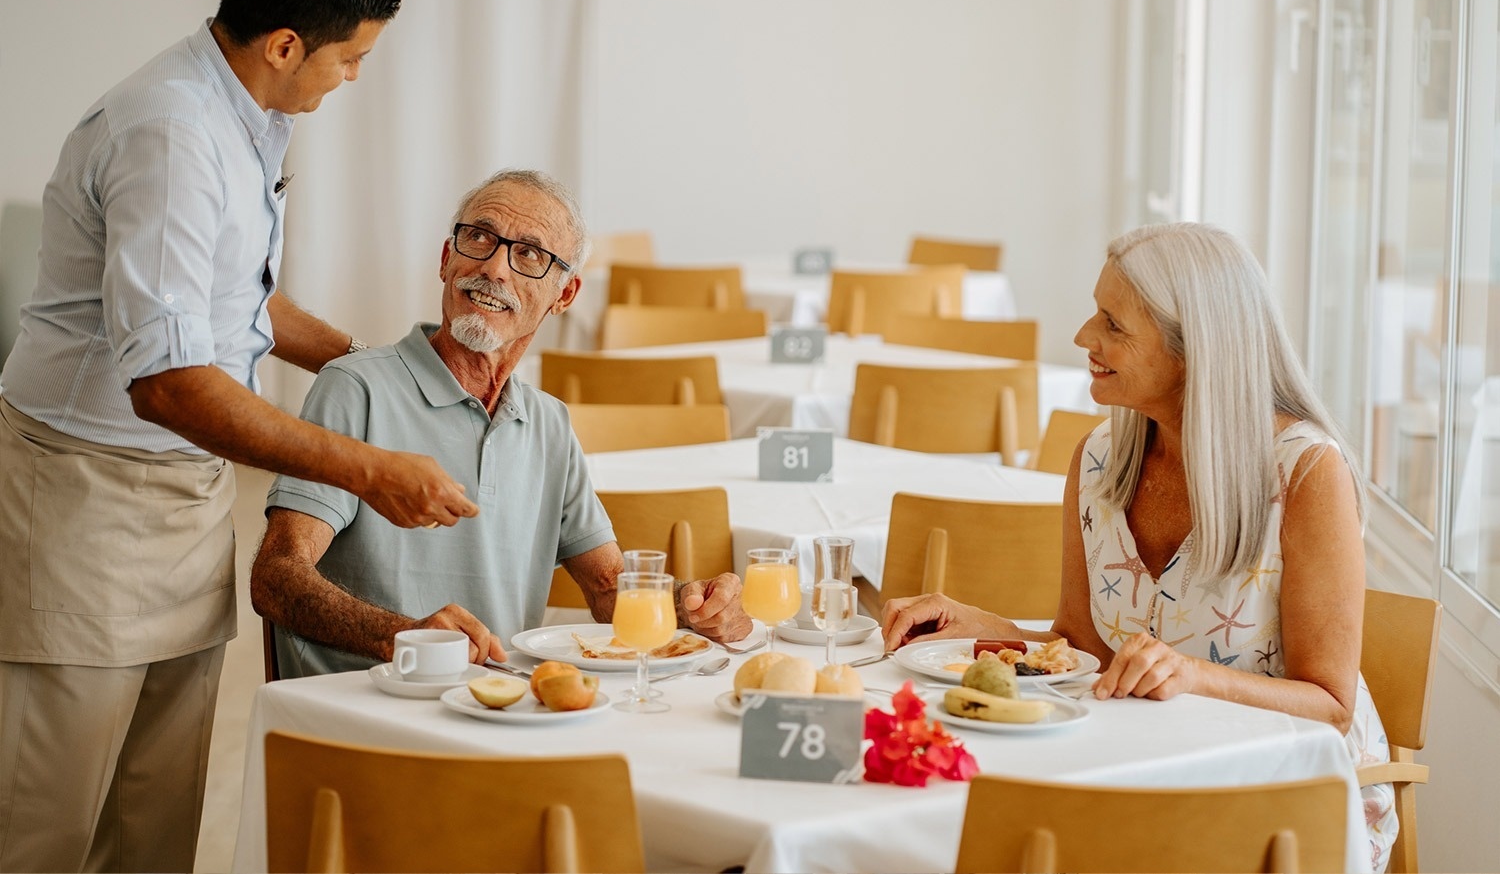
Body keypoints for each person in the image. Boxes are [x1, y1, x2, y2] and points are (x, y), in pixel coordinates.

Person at [0, 0, 482, 873]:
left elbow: (237, 304)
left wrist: (376, 367)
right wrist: (365, 463)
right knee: (46, 825)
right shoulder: (172, 135)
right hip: (88, 497)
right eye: (350, 60)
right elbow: (173, 383)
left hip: (181, 502)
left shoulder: (241, 114)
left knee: (156, 820)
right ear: (285, 43)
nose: (352, 79)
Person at [881, 222, 1398, 871]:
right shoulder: (1099, 460)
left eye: (1112, 324)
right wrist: (988, 630)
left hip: (1283, 805)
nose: (1082, 338)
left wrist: (1193, 676)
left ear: (1193, 350)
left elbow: (1331, 705)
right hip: (1144, 775)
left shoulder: (1304, 474)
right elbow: (1087, 650)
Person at [249, 169, 752, 678]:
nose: (495, 268)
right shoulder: (355, 388)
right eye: (479, 238)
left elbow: (606, 589)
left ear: (565, 295)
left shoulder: (549, 422)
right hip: (369, 711)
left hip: (502, 709)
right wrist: (404, 636)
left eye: (530, 254)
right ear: (447, 260)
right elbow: (277, 577)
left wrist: (690, 607)